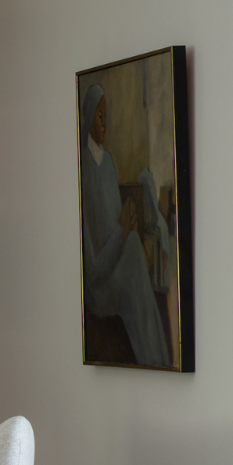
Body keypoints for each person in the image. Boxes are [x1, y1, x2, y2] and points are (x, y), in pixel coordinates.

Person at [79, 81, 173, 367]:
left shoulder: (107, 164)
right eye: (100, 115)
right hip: (99, 290)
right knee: (132, 249)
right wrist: (122, 232)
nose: (105, 123)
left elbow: (122, 232)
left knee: (134, 246)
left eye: (107, 115)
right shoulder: (81, 170)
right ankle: (156, 360)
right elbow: (92, 273)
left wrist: (128, 232)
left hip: (117, 267)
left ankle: (160, 359)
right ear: (87, 118)